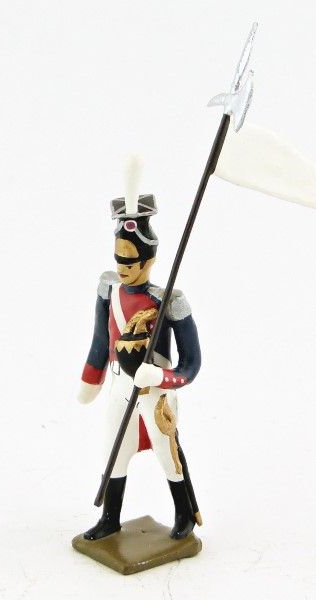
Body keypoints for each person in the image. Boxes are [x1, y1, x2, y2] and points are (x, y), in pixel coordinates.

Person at [76, 179, 201, 541]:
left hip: (153, 390)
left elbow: (191, 364)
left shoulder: (168, 300)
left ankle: (183, 514)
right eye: (119, 259)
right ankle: (111, 518)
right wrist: (90, 379)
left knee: (166, 449)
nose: (123, 267)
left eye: (131, 260)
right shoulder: (109, 290)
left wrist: (161, 378)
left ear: (149, 259)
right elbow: (101, 341)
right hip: (119, 383)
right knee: (114, 450)